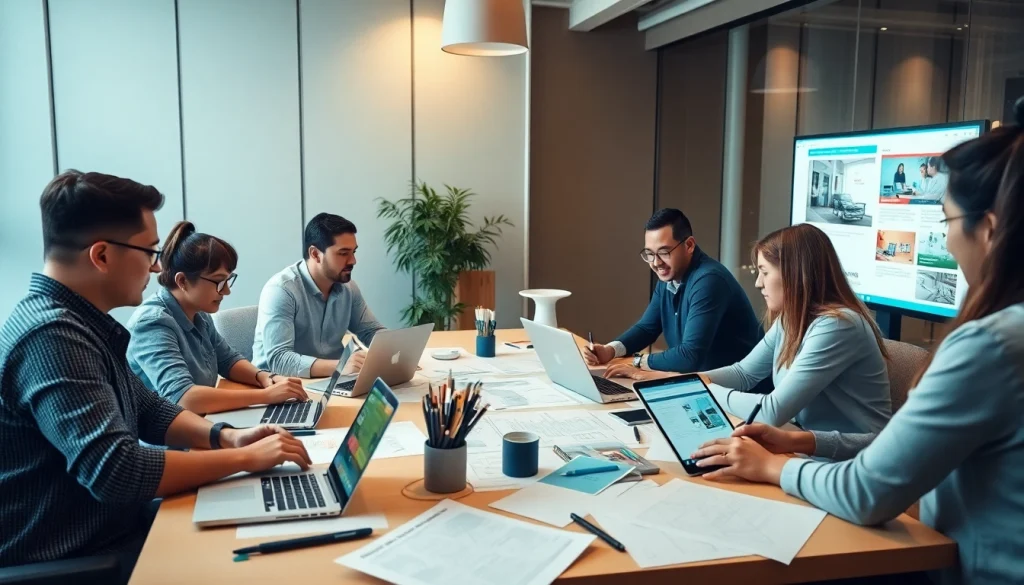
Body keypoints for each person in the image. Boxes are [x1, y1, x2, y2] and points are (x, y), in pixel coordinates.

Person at [690, 102, 1024, 585]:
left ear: (989, 230)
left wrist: (773, 466)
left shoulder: (989, 346)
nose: (948, 244)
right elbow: (746, 374)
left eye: (947, 223)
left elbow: (867, 491)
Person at [0, 171, 312, 582]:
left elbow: (147, 408)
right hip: (76, 552)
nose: (155, 267)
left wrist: (225, 437)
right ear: (102, 255)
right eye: (149, 251)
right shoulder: (53, 335)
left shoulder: (82, 323)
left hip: (110, 524)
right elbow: (118, 471)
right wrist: (244, 459)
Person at [701, 224, 892, 433]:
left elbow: (772, 411)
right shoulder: (791, 318)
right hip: (806, 445)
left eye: (764, 272)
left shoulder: (838, 325)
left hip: (849, 460)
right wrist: (681, 381)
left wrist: (700, 390)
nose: (758, 283)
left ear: (794, 274)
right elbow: (744, 374)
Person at [127, 221, 308, 414]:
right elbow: (184, 398)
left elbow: (228, 361)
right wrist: (266, 396)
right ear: (182, 281)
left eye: (228, 281)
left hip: (204, 421)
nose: (227, 291)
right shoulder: (152, 323)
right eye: (219, 282)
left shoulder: (199, 313)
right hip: (172, 440)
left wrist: (265, 377)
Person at [587, 209, 763, 383]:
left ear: (689, 245)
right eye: (649, 254)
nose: (656, 263)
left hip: (738, 394)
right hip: (701, 385)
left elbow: (689, 356)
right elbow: (647, 328)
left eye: (664, 252)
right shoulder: (670, 277)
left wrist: (638, 362)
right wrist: (610, 350)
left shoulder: (709, 280)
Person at [253, 212, 385, 378]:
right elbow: (280, 360)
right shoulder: (282, 290)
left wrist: (394, 352)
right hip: (280, 386)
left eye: (354, 252)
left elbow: (370, 331)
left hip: (330, 381)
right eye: (343, 253)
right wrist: (341, 365)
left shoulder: (348, 288)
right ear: (315, 254)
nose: (353, 261)